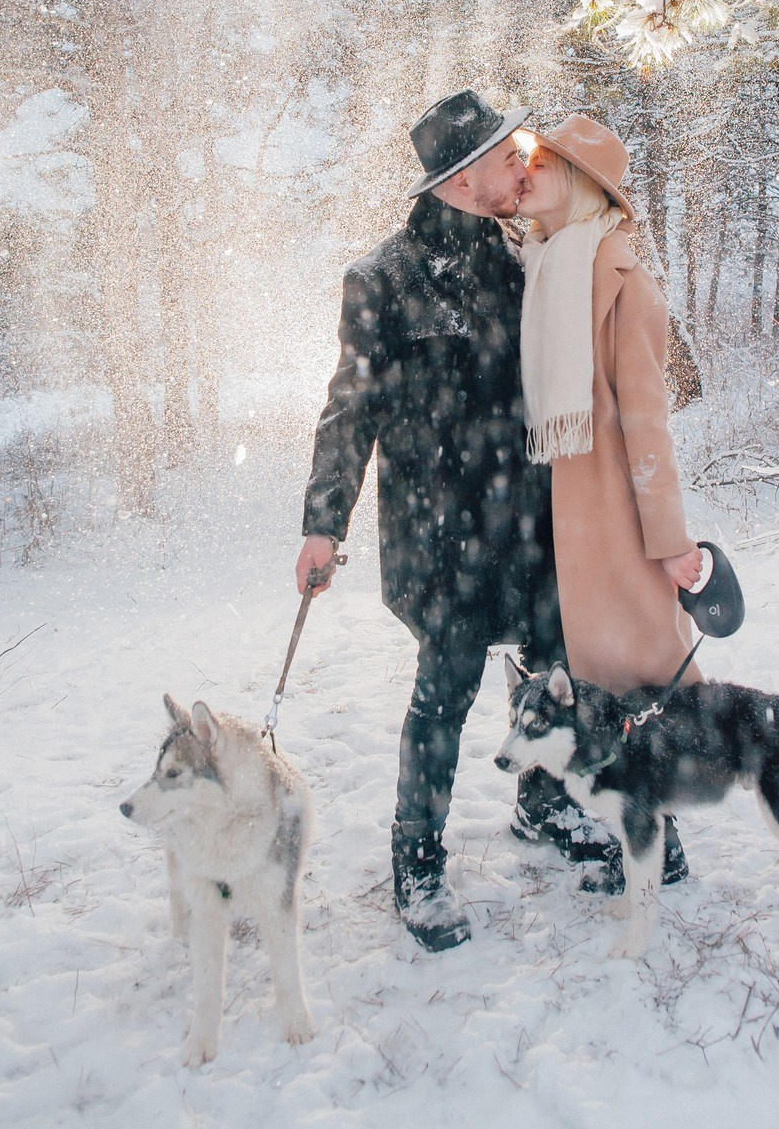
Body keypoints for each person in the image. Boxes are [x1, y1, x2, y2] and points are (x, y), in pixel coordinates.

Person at [296, 90, 601, 952]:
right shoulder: (382, 278)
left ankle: (544, 807)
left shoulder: (526, 253)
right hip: (440, 538)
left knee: (552, 674)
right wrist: (323, 524)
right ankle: (418, 862)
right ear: (464, 180)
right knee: (443, 699)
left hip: (534, 522)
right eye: (508, 159)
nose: (522, 169)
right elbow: (348, 410)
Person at [515, 113, 704, 889]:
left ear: (583, 184)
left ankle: (658, 840)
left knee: (630, 680)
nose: (525, 174)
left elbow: (646, 422)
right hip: (543, 511)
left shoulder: (623, 280)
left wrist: (669, 539)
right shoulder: (538, 263)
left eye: (542, 165)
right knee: (560, 675)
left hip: (603, 518)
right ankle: (557, 805)